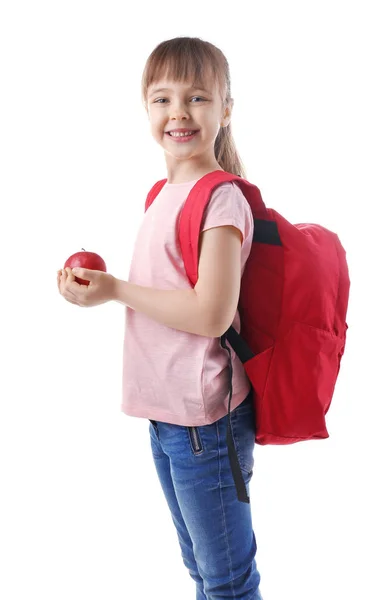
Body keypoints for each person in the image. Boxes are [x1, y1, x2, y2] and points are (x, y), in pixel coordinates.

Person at [58, 36, 262, 600]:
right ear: (146, 108)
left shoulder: (220, 199)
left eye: (197, 98)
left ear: (225, 110)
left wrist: (116, 290)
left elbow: (211, 312)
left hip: (204, 422)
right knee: (203, 571)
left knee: (228, 581)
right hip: (168, 416)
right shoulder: (161, 194)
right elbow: (167, 295)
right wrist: (94, 291)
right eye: (162, 99)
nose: (178, 112)